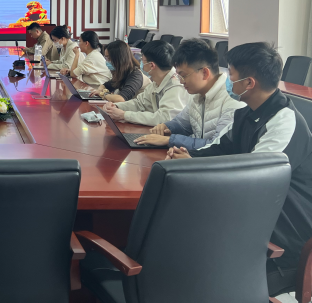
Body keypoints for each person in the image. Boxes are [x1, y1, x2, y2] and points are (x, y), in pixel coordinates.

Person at [165, 42, 312, 297]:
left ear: (249, 83)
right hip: (252, 223)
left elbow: (254, 182)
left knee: (198, 274)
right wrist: (188, 158)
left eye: (231, 74)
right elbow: (220, 148)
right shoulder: (248, 113)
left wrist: (194, 170)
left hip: (282, 242)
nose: (227, 80)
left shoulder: (284, 121)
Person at [134, 38, 245, 148]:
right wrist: (166, 127)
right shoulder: (197, 94)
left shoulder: (231, 101)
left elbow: (217, 146)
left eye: (183, 75)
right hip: (195, 156)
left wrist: (170, 140)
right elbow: (182, 123)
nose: (181, 81)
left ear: (205, 73)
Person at [103, 40, 188, 126]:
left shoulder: (176, 85)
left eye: (142, 61)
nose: (141, 64)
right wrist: (116, 106)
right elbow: (139, 103)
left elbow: (164, 118)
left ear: (151, 65)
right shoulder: (156, 82)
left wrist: (124, 115)